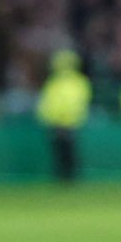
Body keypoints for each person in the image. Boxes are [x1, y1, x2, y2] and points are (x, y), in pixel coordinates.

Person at [38, 49, 91, 182]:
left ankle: (66, 177)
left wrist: (50, 119)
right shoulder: (79, 81)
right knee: (66, 152)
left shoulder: (54, 82)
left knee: (63, 153)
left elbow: (47, 104)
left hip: (60, 124)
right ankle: (68, 177)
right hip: (68, 123)